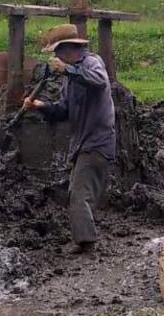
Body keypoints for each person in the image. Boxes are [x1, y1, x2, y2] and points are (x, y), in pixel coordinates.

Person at [22, 24, 115, 254]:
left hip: (97, 141)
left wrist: (66, 71)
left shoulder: (91, 64)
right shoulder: (70, 78)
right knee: (79, 192)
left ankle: (86, 243)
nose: (55, 58)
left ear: (67, 49)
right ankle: (85, 239)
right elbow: (64, 110)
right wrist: (41, 106)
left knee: (78, 194)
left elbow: (99, 81)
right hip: (82, 142)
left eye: (57, 52)